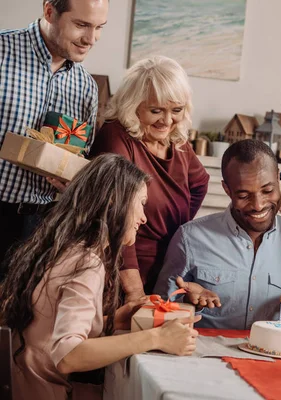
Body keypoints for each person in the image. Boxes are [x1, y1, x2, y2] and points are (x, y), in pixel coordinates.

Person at [0, 154, 200, 400]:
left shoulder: (63, 249)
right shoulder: (87, 262)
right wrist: (157, 337)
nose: (143, 218)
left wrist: (113, 320)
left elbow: (47, 325)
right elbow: (67, 355)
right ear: (114, 202)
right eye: (141, 203)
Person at [154, 140, 281, 329]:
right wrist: (188, 302)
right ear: (227, 190)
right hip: (206, 354)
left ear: (278, 177)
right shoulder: (190, 238)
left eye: (267, 190)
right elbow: (160, 311)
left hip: (271, 354)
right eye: (243, 196)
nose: (258, 205)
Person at [0, 0, 108, 277]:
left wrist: (71, 180)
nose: (91, 39)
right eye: (82, 25)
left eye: (99, 28)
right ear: (50, 11)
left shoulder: (86, 87)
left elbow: (77, 158)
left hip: (40, 226)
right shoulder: (2, 52)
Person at [90, 56, 209, 299]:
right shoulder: (116, 137)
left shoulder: (176, 140)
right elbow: (115, 216)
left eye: (176, 110)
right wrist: (134, 289)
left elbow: (200, 183)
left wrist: (177, 230)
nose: (167, 121)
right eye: (156, 111)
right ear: (133, 105)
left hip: (167, 265)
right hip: (120, 269)